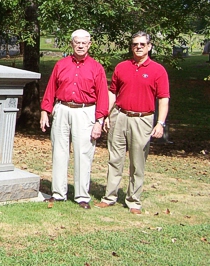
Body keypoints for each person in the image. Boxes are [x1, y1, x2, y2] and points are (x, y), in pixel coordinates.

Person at [96, 31, 169, 214]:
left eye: (142, 44)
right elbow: (113, 92)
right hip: (119, 116)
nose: (138, 47)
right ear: (131, 46)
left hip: (142, 119)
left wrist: (160, 123)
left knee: (137, 162)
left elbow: (163, 99)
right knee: (115, 159)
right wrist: (105, 115)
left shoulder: (158, 70)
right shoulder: (122, 67)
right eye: (135, 44)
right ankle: (109, 197)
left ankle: (133, 201)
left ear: (149, 47)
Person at [40, 29, 109, 209]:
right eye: (77, 42)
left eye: (83, 43)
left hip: (85, 111)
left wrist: (99, 121)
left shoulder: (96, 67)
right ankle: (58, 193)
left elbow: (103, 96)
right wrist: (44, 111)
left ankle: (81, 196)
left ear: (89, 44)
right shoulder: (61, 65)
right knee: (59, 152)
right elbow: (50, 89)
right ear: (72, 44)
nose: (80, 45)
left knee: (83, 154)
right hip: (62, 109)